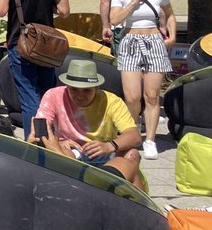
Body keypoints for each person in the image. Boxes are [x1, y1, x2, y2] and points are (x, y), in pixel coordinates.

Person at [0, 0, 69, 141]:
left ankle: (35, 142)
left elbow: (1, 10)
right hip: (47, 44)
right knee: (47, 95)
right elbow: (64, 10)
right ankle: (50, 141)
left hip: (21, 42)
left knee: (29, 98)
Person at [30, 58, 145, 189]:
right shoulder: (53, 95)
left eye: (87, 90)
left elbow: (134, 136)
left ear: (96, 88)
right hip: (71, 150)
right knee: (55, 152)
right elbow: (39, 132)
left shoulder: (112, 101)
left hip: (104, 151)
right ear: (67, 86)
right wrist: (59, 143)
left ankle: (128, 196)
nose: (80, 96)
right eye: (74, 89)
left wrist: (109, 146)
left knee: (132, 154)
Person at [109, 0, 176, 160]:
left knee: (152, 95)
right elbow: (114, 19)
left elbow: (169, 14)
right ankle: (133, 132)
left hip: (154, 41)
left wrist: (172, 36)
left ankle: (150, 140)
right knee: (132, 96)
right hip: (130, 41)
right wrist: (132, 3)